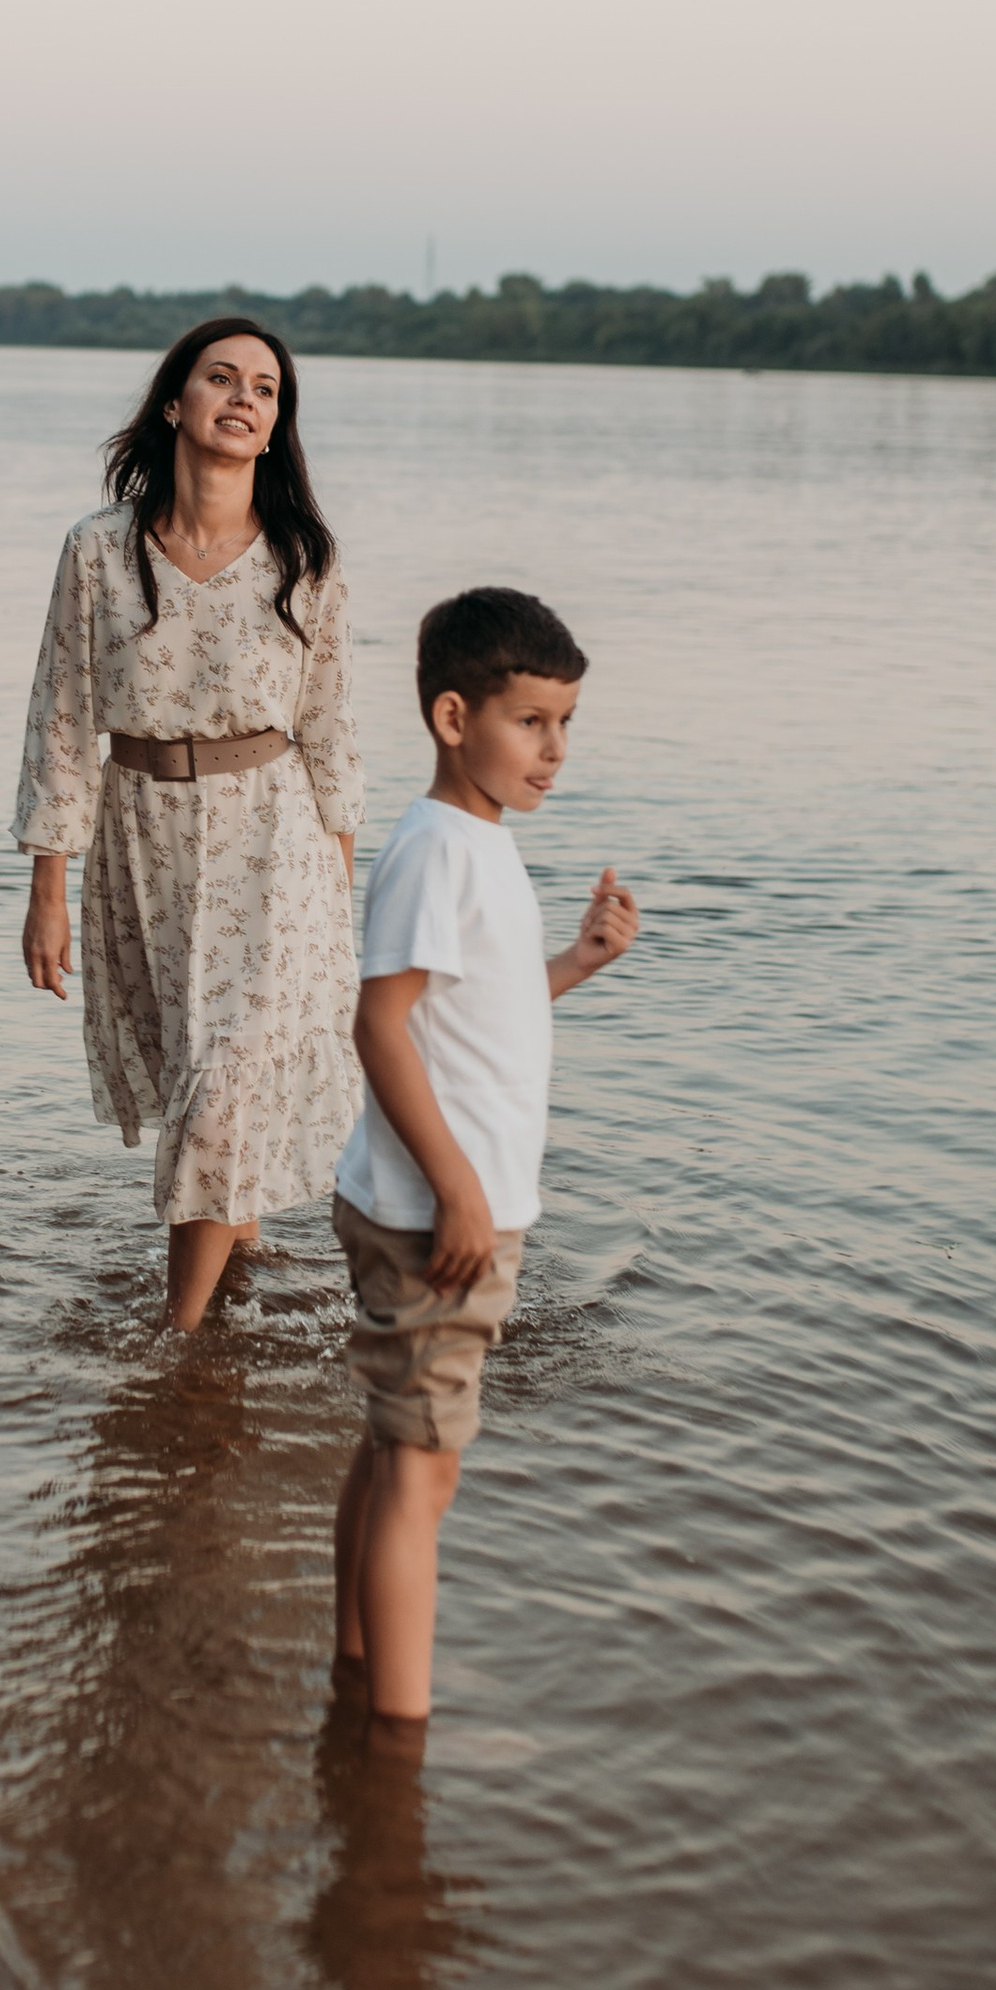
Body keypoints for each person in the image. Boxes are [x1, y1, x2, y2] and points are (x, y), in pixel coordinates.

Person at [331, 584, 639, 1737]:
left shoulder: (480, 843)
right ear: (453, 716)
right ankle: (394, 1751)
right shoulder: (437, 850)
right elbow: (378, 1024)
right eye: (530, 721)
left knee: (394, 1445)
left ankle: (354, 1673)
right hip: (432, 1212)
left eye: (565, 722)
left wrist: (576, 960)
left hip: (435, 1202)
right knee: (424, 1473)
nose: (554, 749)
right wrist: (458, 1188)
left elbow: (479, 1012)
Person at [17, 318, 365, 1332]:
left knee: (223, 1079)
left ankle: (175, 1336)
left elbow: (332, 735)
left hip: (275, 844)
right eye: (222, 377)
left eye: (265, 388)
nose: (244, 397)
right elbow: (63, 719)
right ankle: (238, 1273)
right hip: (140, 842)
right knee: (200, 1071)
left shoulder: (306, 560)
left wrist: (339, 904)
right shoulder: (97, 552)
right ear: (175, 401)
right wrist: (47, 890)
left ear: (273, 427)